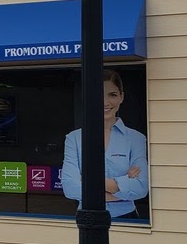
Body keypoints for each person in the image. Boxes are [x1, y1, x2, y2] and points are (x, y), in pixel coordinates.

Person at [61, 69, 149, 219]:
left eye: (112, 95)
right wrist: (123, 183)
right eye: (98, 95)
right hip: (87, 218)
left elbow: (140, 188)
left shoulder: (136, 138)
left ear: (121, 97)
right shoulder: (74, 139)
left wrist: (87, 181)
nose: (105, 102)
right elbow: (70, 189)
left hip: (127, 219)